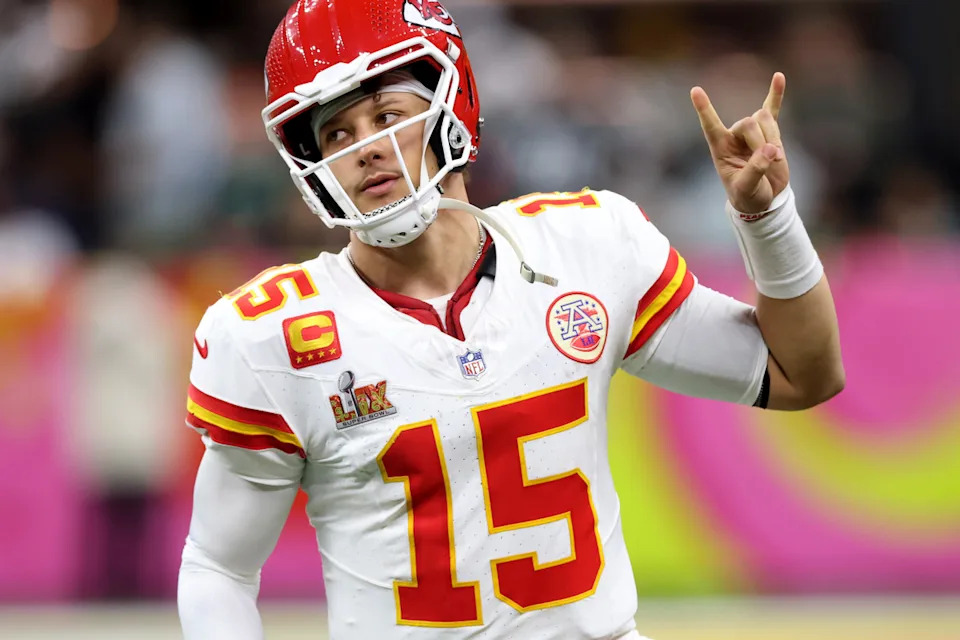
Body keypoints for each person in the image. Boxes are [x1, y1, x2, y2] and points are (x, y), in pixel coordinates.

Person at [177, 1, 844, 638]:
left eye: (385, 114)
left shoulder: (585, 246)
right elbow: (218, 566)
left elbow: (800, 375)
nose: (365, 149)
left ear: (451, 102)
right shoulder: (273, 337)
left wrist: (768, 218)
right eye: (337, 133)